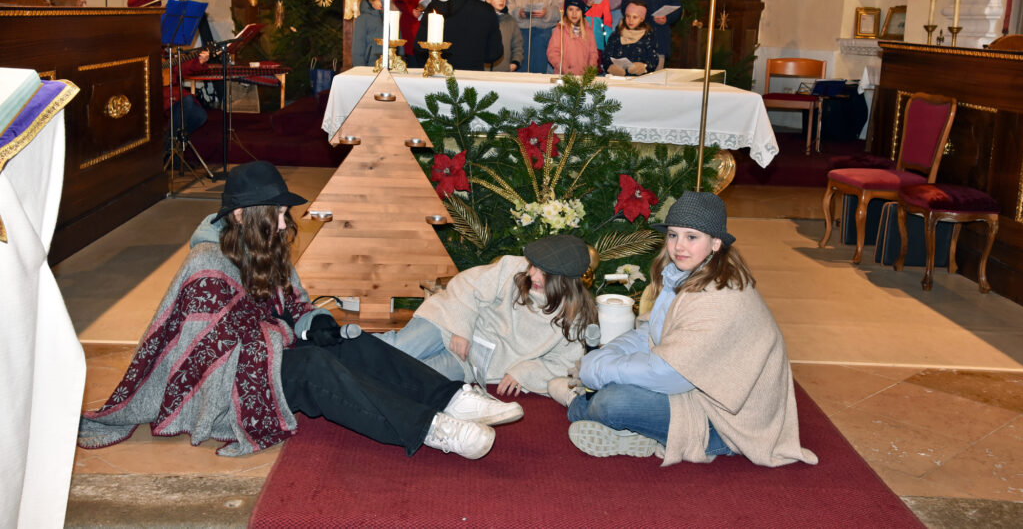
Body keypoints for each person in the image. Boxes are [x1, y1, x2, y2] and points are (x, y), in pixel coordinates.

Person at [78, 162, 522, 460]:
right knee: (312, 368)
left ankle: (450, 398)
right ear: (242, 216)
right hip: (225, 389)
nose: (285, 223)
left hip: (268, 354)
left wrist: (316, 322)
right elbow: (210, 356)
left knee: (349, 341)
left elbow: (293, 307)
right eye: (276, 214)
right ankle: (432, 429)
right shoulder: (206, 266)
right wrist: (292, 334)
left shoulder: (264, 247)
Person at [548, 191, 818, 468]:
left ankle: (579, 404)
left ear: (715, 242)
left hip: (727, 422)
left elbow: (669, 374)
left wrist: (599, 370)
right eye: (673, 235)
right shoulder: (685, 274)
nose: (679, 246)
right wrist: (605, 356)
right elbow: (650, 334)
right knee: (614, 377)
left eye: (691, 237)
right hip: (700, 389)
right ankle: (631, 431)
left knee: (613, 401)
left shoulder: (718, 297)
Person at [378, 234, 598, 398]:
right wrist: (461, 328)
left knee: (415, 380)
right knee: (397, 349)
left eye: (543, 272)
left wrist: (524, 373)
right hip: (450, 321)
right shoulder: (513, 267)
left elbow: (564, 363)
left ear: (565, 281)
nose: (532, 274)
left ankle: (363, 389)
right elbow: (467, 285)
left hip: (471, 361)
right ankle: (353, 354)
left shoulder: (576, 318)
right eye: (533, 266)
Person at [414, 0, 502, 71]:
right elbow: (494, 54)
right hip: (473, 77)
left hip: (440, 75)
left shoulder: (436, 7)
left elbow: (420, 48)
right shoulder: (487, 11)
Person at [547, 0, 598, 76]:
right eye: (571, 9)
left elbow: (593, 54)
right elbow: (553, 53)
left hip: (583, 78)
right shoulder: (560, 29)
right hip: (564, 76)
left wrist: (590, 71)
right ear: (566, 11)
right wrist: (565, 69)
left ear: (582, 12)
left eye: (578, 10)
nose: (574, 13)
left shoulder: (588, 31)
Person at [602, 0, 660, 76]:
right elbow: (606, 56)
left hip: (640, 79)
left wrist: (643, 67)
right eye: (628, 16)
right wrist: (610, 67)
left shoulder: (648, 37)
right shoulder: (616, 36)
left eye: (635, 17)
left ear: (642, 19)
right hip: (617, 79)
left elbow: (653, 59)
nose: (630, 20)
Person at [484, 0, 523, 72]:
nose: (502, 0)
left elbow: (518, 45)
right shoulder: (481, 19)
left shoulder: (511, 21)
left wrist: (515, 62)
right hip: (483, 70)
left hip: (503, 69)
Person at [352, 0, 386, 67]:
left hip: (391, 65)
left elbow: (398, 42)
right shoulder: (363, 19)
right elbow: (358, 49)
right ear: (371, 0)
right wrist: (360, 69)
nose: (381, 2)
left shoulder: (391, 17)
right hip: (370, 66)